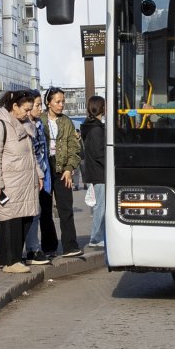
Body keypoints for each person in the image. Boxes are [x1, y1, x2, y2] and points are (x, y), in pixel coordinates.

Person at [0, 90, 41, 274]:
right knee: (11, 221)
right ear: (14, 106)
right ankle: (11, 261)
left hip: (25, 180)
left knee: (25, 219)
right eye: (26, 109)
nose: (28, 113)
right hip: (9, 182)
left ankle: (9, 256)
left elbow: (31, 153)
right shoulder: (0, 125)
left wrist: (38, 174)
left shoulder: (23, 124)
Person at [42, 87, 83, 258]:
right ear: (48, 102)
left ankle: (70, 246)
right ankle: (49, 247)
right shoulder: (40, 119)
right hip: (44, 167)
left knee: (66, 207)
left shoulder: (66, 121)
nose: (61, 105)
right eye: (57, 101)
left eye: (63, 101)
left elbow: (75, 147)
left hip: (62, 168)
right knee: (44, 209)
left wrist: (69, 168)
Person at [23, 93, 52, 266]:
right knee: (31, 213)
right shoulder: (23, 125)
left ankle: (33, 248)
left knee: (37, 212)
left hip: (41, 172)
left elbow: (43, 152)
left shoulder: (39, 124)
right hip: (28, 174)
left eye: (41, 105)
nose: (40, 109)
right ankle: (31, 249)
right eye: (37, 105)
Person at [79, 96, 107, 249]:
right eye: (105, 105)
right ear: (101, 107)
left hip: (95, 172)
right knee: (100, 207)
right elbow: (99, 154)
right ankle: (96, 238)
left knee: (100, 206)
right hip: (99, 173)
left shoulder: (90, 126)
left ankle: (99, 235)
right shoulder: (96, 129)